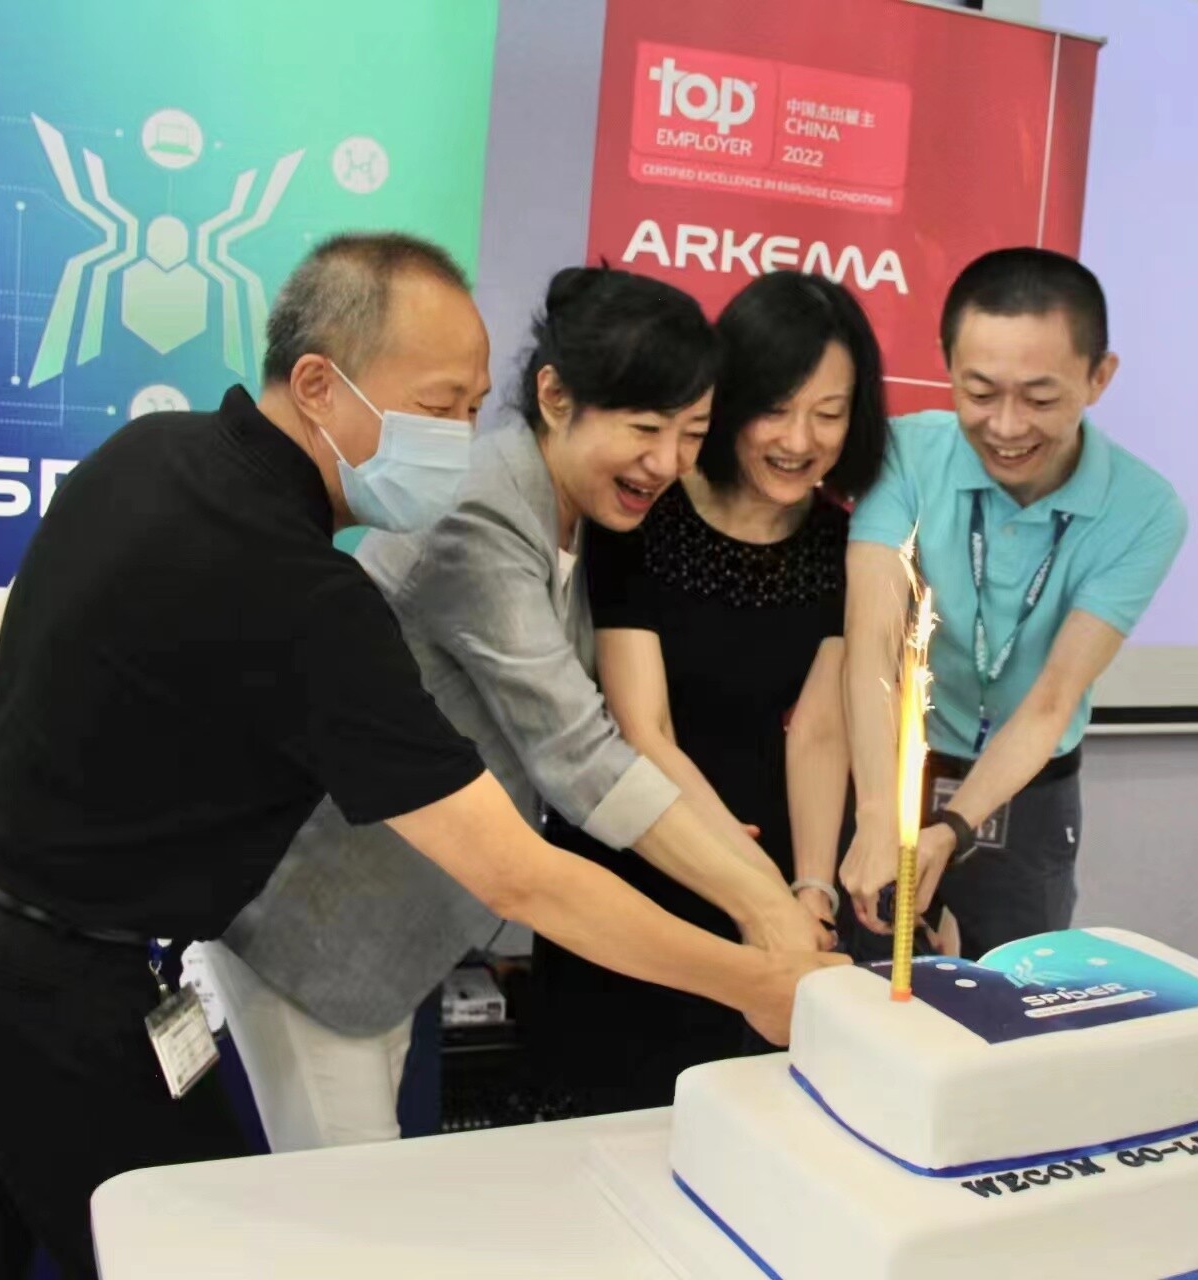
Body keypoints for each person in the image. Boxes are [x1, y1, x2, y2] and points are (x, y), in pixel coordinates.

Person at [0, 234, 839, 1280]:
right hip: (48, 983)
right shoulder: (308, 596)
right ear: (318, 386)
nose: (460, 438)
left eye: (472, 407)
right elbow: (521, 872)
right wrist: (753, 977)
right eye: (437, 408)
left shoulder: (153, 450)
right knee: (205, 1255)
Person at [203, 266, 829, 1153]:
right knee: (344, 1206)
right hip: (319, 932)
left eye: (691, 434)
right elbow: (583, 757)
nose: (668, 463)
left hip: (397, 932)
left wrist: (761, 884)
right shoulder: (480, 513)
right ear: (555, 397)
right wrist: (766, 919)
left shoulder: (578, 514)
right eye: (645, 429)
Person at [526, 270, 890, 1114]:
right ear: (728, 402)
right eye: (776, 409)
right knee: (606, 1121)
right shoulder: (642, 513)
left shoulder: (842, 542)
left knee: (751, 1120)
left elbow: (821, 730)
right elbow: (642, 728)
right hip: (643, 845)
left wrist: (810, 887)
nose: (800, 440)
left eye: (829, 414)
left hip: (772, 868)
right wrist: (750, 877)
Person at [838, 247, 1188, 960]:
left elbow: (1053, 698)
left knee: (1016, 986)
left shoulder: (1146, 510)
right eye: (979, 393)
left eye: (1039, 399)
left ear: (1099, 377)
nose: (1004, 426)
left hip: (1029, 782)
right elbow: (871, 641)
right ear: (947, 364)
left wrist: (954, 827)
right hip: (895, 762)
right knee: (865, 978)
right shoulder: (904, 454)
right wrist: (877, 810)